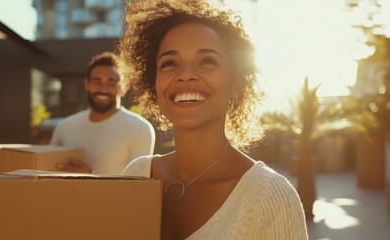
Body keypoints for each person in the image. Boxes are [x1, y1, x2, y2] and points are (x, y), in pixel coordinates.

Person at [119, 0, 308, 239]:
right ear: (153, 84)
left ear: (236, 84)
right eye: (169, 63)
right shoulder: (136, 174)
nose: (185, 75)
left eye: (207, 60)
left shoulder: (271, 196)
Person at [50, 51, 155, 174]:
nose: (103, 88)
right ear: (86, 85)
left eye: (111, 82)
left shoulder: (139, 128)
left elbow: (137, 187)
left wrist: (91, 177)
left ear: (122, 88)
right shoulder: (64, 127)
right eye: (96, 81)